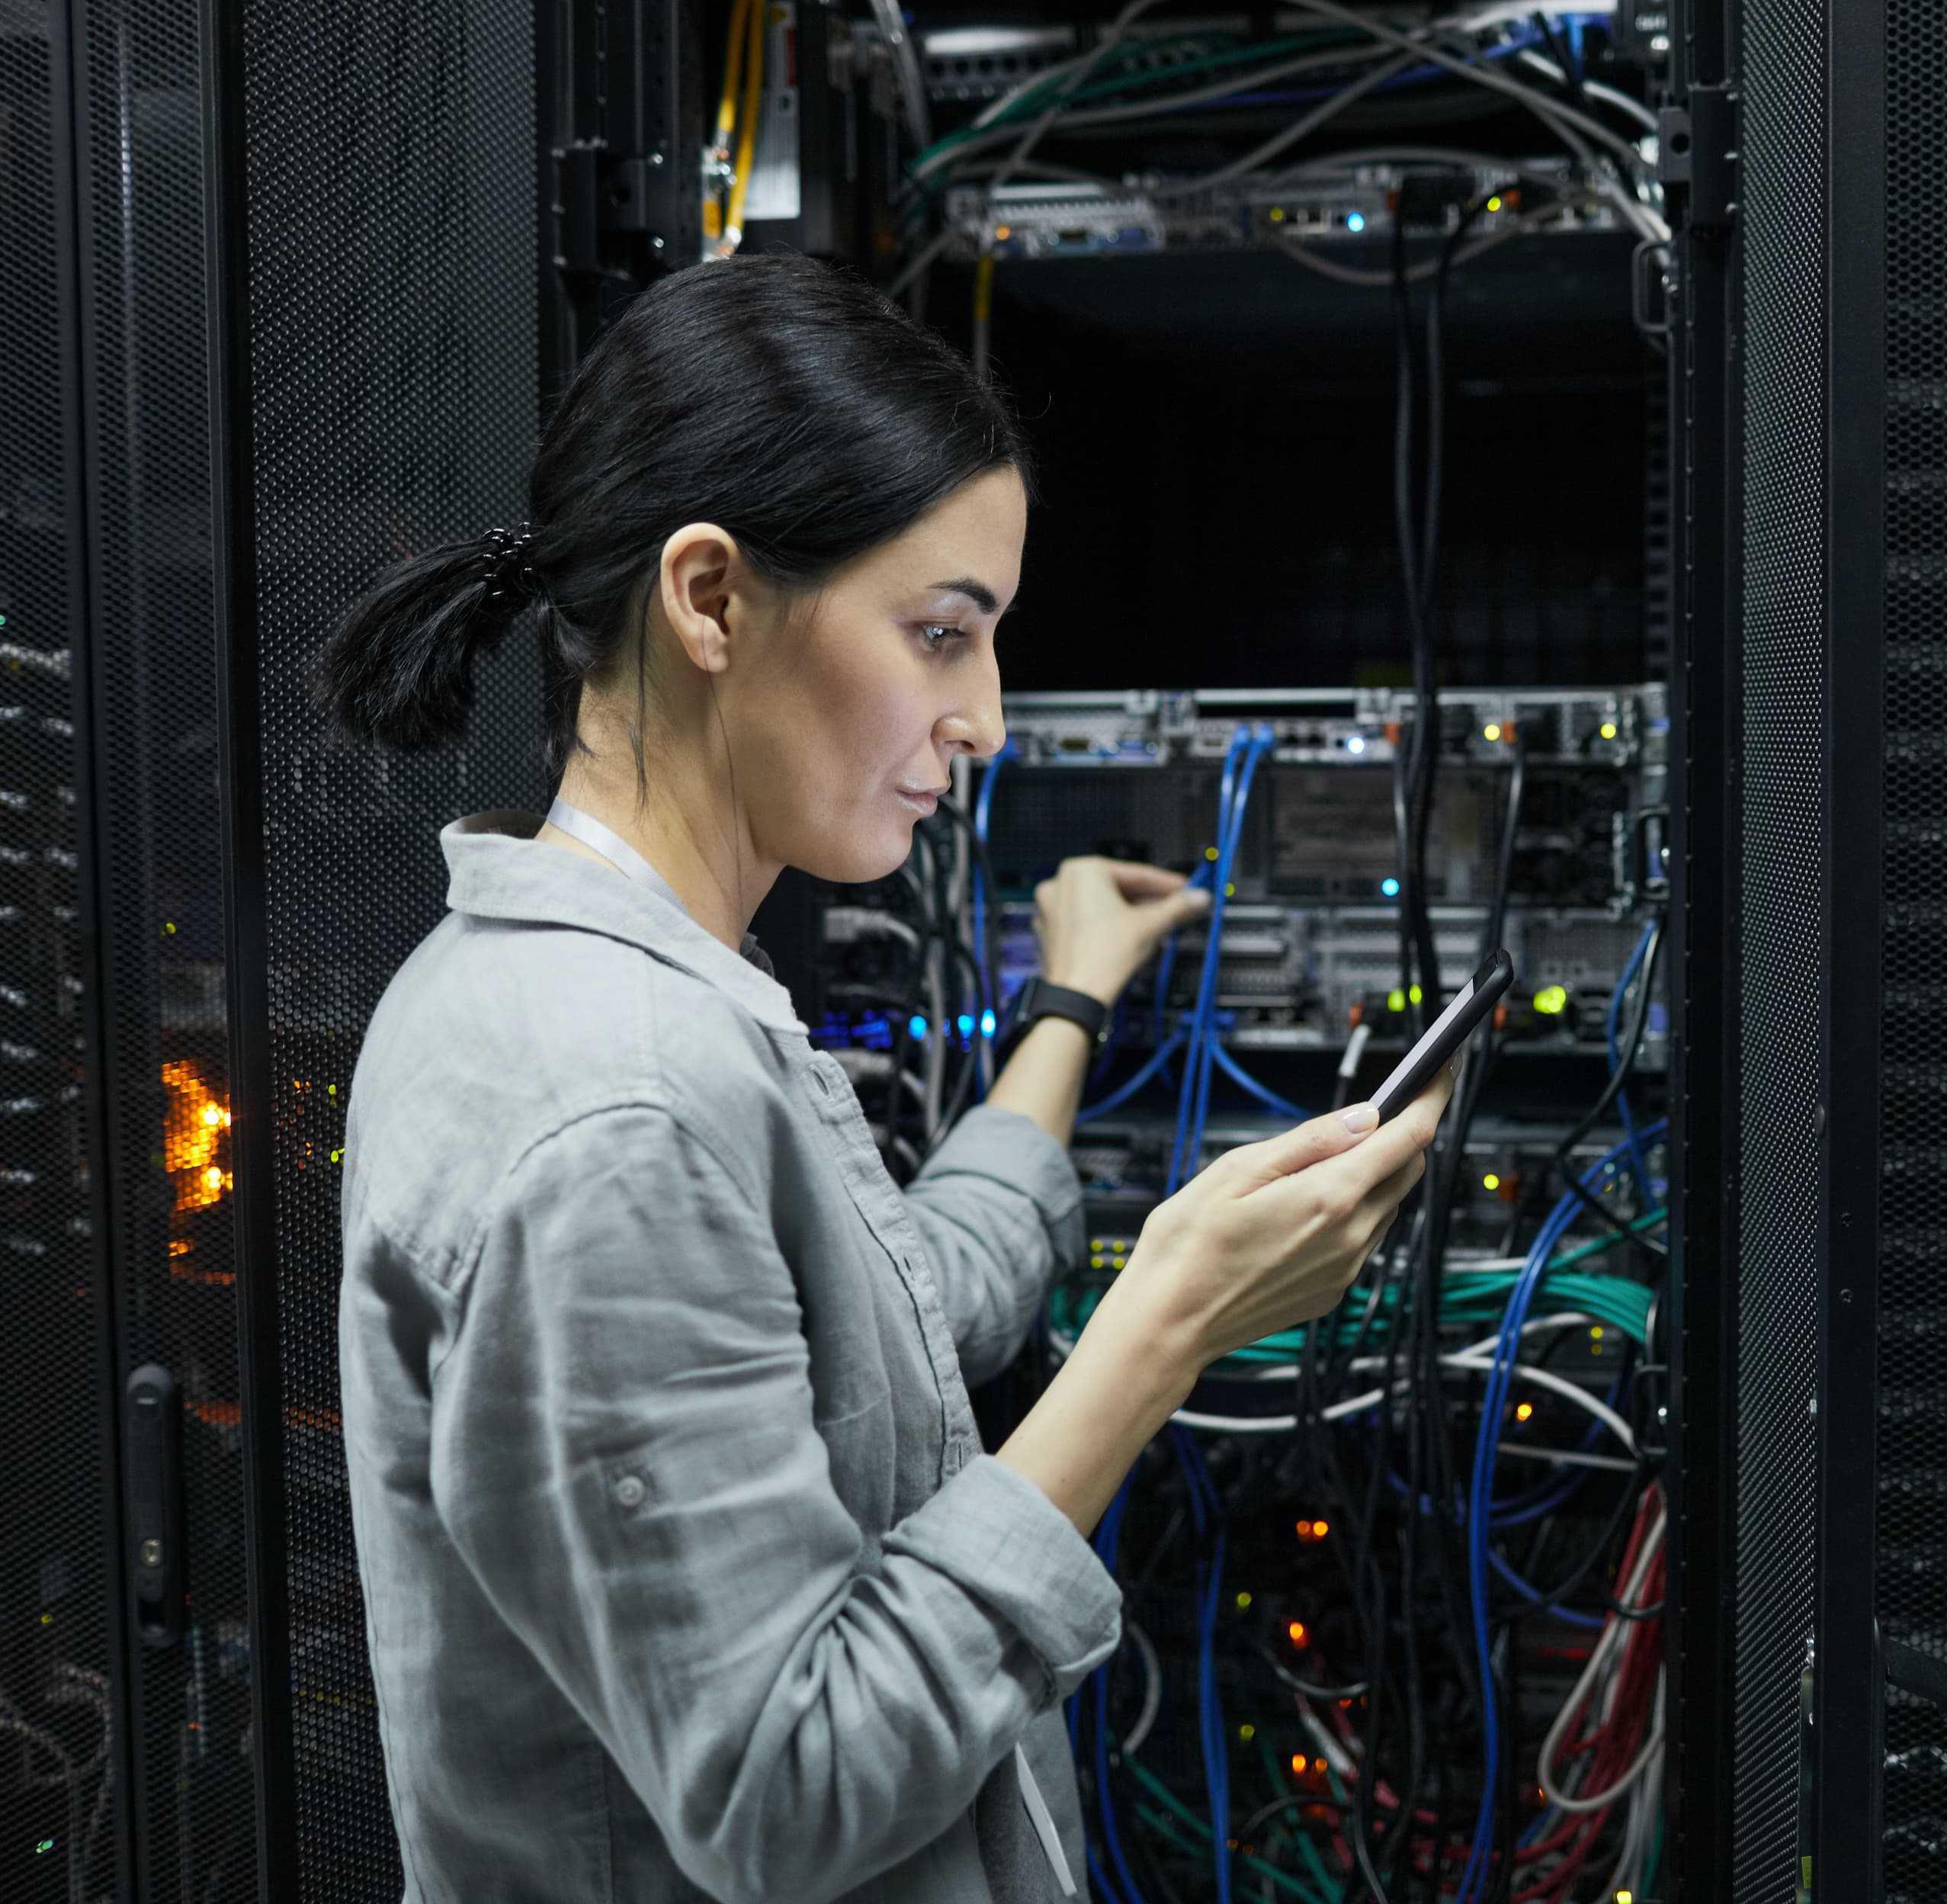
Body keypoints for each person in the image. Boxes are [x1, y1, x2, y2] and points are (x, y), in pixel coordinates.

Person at [317, 253, 1451, 1903]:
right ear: (709, 598)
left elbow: (910, 1303)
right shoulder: (609, 1102)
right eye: (940, 634)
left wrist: (1068, 996)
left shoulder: (619, 1001)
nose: (985, 717)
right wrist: (1165, 1328)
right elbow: (793, 1786)